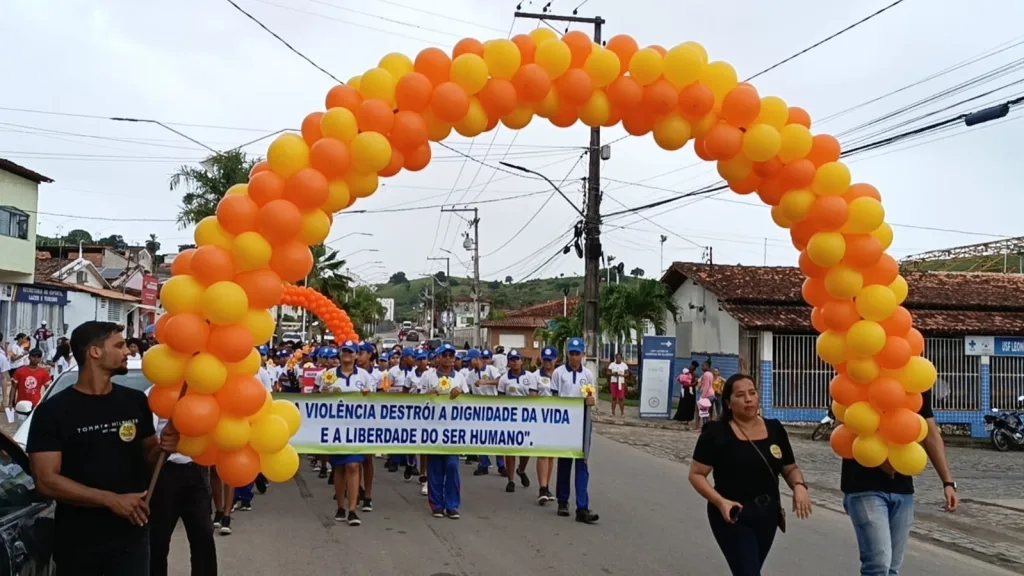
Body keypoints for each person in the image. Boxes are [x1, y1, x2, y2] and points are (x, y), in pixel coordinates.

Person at [27, 321, 180, 574]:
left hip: (132, 538)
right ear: (94, 352)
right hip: (78, 542)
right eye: (119, 345)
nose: (128, 352)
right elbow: (46, 481)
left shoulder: (135, 402)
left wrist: (165, 447)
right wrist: (110, 500)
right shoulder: (52, 412)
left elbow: (149, 460)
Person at [688, 373, 812, 576]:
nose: (748, 399)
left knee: (749, 570)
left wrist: (799, 486)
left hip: (767, 515)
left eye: (752, 393)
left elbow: (789, 468)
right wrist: (720, 502)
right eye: (740, 395)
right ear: (728, 402)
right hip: (732, 514)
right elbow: (696, 474)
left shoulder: (775, 429)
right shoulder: (716, 433)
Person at [841, 387, 957, 575]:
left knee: (892, 568)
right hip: (863, 486)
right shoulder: (859, 376)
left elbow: (930, 434)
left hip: (902, 489)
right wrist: (879, 459)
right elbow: (847, 425)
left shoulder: (914, 385)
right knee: (878, 564)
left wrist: (948, 483)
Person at [144, 386, 217, 576]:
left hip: (197, 472)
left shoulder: (204, 396)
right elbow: (148, 444)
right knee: (158, 540)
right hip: (165, 473)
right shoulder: (154, 395)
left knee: (203, 537)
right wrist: (163, 447)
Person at [323, 340, 374, 525]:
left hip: (356, 428)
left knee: (353, 465)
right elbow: (318, 400)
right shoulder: (328, 376)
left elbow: (373, 401)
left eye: (350, 352)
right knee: (339, 468)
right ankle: (340, 506)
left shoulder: (365, 376)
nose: (347, 355)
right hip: (335, 428)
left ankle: (352, 509)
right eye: (344, 351)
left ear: (355, 355)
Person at [552, 337, 599, 524]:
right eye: (571, 353)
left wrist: (591, 400)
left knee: (582, 464)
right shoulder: (558, 373)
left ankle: (582, 507)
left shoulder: (587, 374)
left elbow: (592, 396)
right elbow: (554, 398)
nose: (574, 357)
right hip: (564, 424)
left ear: (582, 355)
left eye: (577, 353)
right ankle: (562, 501)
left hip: (583, 423)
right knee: (564, 463)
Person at [418, 343, 468, 519]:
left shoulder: (460, 377)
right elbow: (418, 400)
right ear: (438, 357)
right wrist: (428, 395)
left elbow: (469, 402)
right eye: (444, 355)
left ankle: (452, 505)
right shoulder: (428, 376)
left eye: (451, 355)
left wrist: (460, 392)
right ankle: (437, 504)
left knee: (452, 465)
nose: (448, 358)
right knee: (435, 467)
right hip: (433, 427)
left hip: (453, 428)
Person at [497, 350, 535, 492]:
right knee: (510, 449)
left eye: (517, 359)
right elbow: (500, 399)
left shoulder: (530, 377)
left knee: (526, 448)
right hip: (509, 418)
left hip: (526, 417)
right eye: (511, 359)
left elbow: (533, 396)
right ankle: (511, 480)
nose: (514, 362)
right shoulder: (504, 379)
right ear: (508, 362)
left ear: (521, 361)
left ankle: (522, 469)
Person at [466, 350, 504, 476]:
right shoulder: (470, 375)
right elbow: (466, 390)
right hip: (478, 408)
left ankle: (501, 465)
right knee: (480, 436)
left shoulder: (491, 369)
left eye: (471, 360)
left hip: (492, 406)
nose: (469, 363)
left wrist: (486, 382)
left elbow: (500, 381)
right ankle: (483, 464)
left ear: (477, 359)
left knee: (497, 436)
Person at [531, 346, 558, 504]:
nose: (547, 363)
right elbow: (533, 397)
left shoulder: (559, 375)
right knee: (543, 452)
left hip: (556, 418)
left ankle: (547, 485)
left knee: (551, 453)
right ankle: (541, 487)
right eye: (545, 360)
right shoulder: (536, 376)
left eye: (550, 360)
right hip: (541, 418)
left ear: (556, 359)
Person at [409, 349, 433, 496]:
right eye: (420, 359)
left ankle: (428, 477)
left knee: (429, 449)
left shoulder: (431, 374)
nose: (423, 361)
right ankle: (415, 467)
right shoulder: (418, 375)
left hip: (436, 417)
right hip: (417, 412)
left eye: (425, 359)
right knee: (419, 445)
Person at [607, 353, 629, 417]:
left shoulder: (624, 365)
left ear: (621, 358)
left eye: (619, 358)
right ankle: (612, 412)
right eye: (617, 358)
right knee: (613, 397)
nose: (618, 359)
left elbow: (627, 373)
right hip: (613, 382)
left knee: (621, 398)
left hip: (621, 383)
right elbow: (608, 372)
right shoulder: (612, 364)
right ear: (615, 358)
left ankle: (622, 413)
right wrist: (612, 374)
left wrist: (622, 375)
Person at [696, 360, 715, 432]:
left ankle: (705, 428)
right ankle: (707, 427)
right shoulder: (710, 374)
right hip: (711, 394)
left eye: (703, 366)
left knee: (704, 413)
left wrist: (702, 396)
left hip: (707, 395)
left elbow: (706, 386)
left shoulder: (706, 374)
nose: (702, 367)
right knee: (707, 413)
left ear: (707, 366)